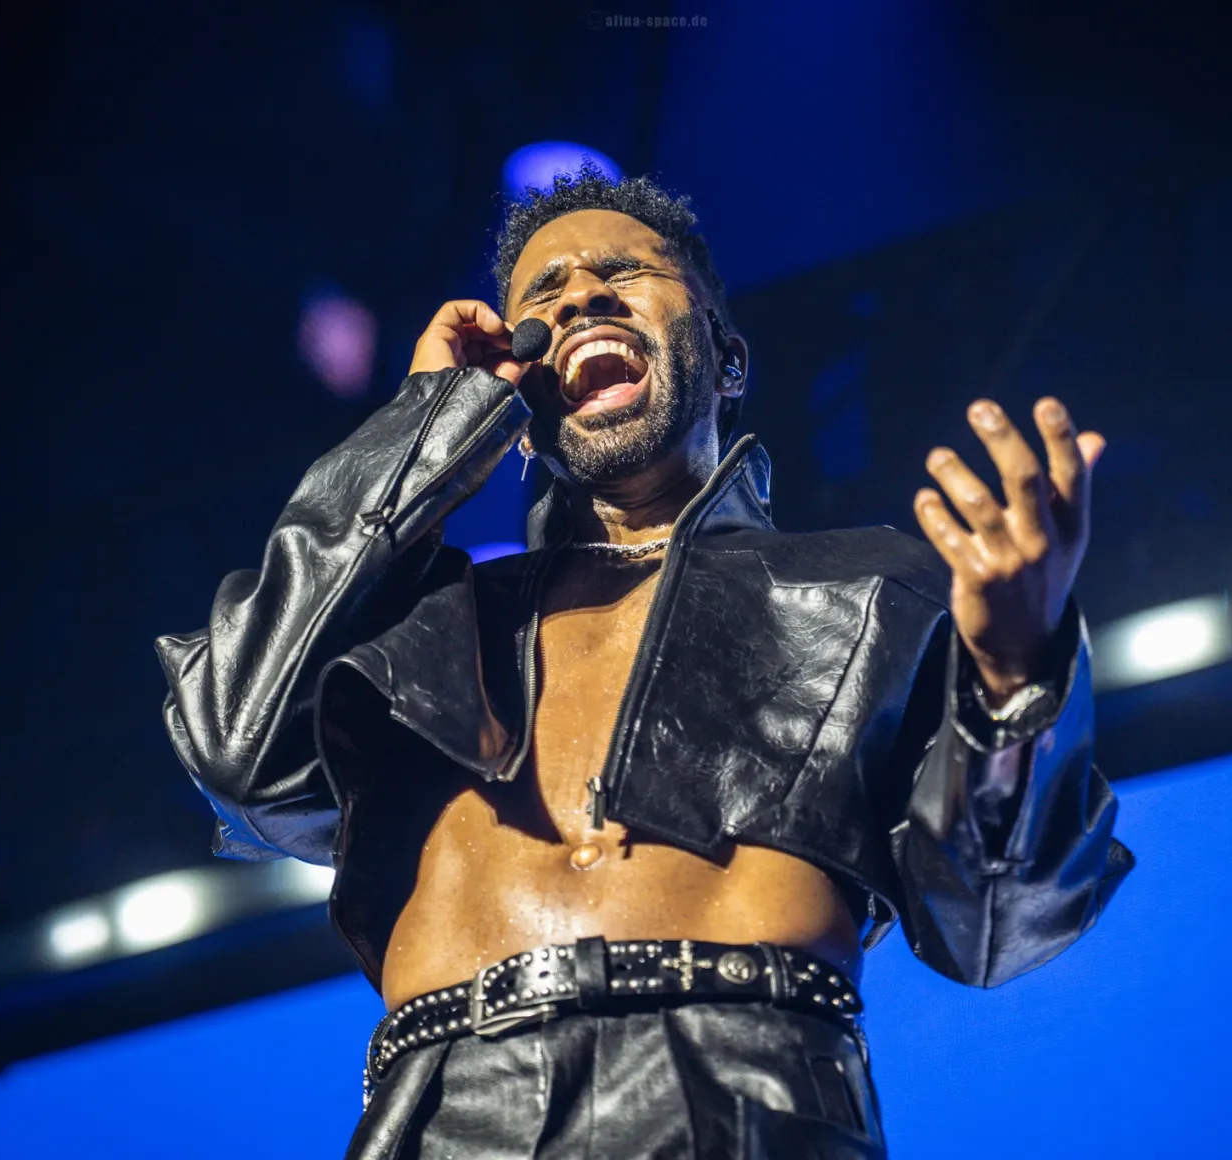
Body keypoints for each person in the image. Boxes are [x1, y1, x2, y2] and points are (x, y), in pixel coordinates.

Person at [156, 162, 1135, 1159]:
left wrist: (1014, 674)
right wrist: (429, 418)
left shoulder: (872, 590)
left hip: (744, 1088)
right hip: (445, 1109)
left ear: (726, 358)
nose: (581, 294)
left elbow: (996, 924)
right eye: (544, 293)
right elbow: (239, 746)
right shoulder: (424, 626)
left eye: (623, 271)